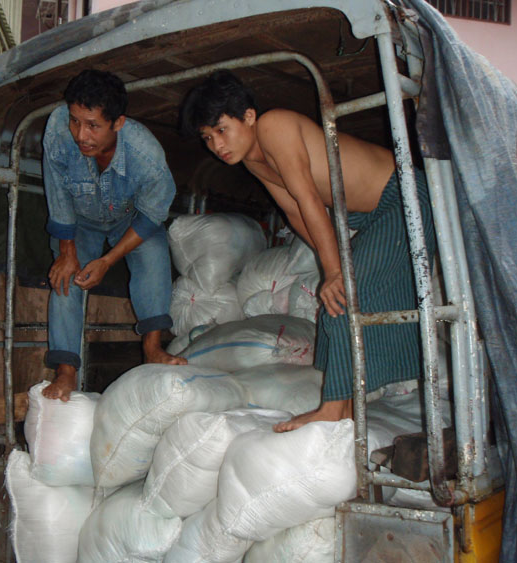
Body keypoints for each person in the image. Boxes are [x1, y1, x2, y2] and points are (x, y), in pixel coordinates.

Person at [179, 70, 436, 430]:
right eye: (208, 138)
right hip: (369, 217)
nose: (217, 145)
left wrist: (335, 272)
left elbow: (309, 198)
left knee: (341, 300)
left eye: (222, 130)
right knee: (339, 302)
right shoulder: (253, 160)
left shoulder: (274, 127)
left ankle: (335, 407)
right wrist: (335, 261)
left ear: (248, 117)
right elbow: (294, 211)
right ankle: (344, 403)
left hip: (404, 197)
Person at [41, 69, 186, 402]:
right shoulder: (58, 130)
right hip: (80, 220)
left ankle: (152, 347)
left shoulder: (146, 156)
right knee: (66, 276)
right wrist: (67, 251)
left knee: (152, 252)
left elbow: (152, 215)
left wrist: (108, 260)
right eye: (76, 121)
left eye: (93, 125)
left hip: (130, 218)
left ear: (118, 123)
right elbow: (57, 194)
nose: (81, 134)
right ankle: (65, 372)